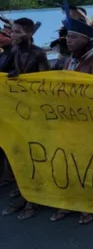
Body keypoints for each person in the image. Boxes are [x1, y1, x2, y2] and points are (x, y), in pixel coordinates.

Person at [49, 11, 93, 225]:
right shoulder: (69, 61)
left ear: (87, 39)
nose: (68, 41)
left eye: (73, 37)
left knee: (87, 165)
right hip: (68, 122)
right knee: (66, 162)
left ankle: (89, 204)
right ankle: (68, 202)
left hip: (88, 123)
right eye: (68, 37)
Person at [2, 17, 49, 220]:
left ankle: (35, 198)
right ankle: (25, 191)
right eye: (12, 32)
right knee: (20, 152)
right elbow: (17, 73)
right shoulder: (13, 52)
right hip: (19, 110)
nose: (12, 35)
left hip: (35, 112)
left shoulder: (38, 53)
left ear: (29, 34)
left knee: (35, 153)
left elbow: (46, 82)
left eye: (18, 32)